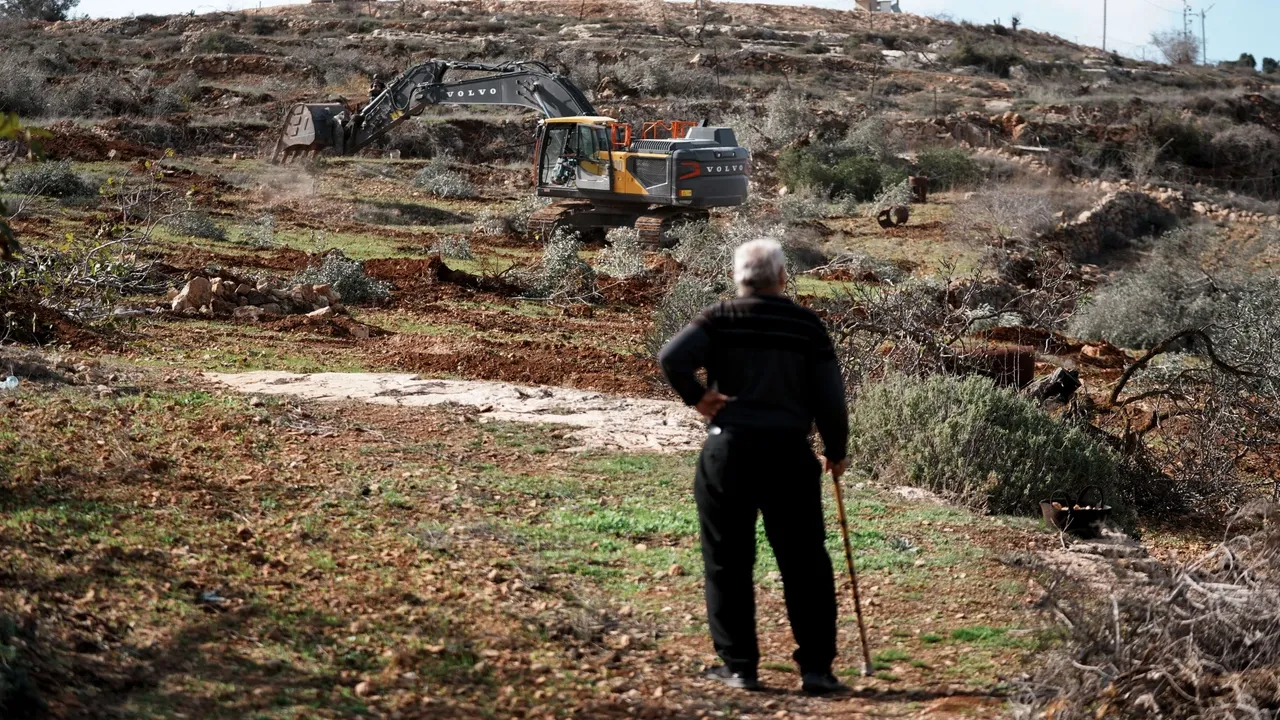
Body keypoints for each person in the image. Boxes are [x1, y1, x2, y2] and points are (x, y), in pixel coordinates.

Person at [658, 238, 850, 695]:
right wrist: (835, 450)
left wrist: (697, 397)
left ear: (739, 278)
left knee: (727, 561)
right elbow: (829, 396)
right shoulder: (806, 326)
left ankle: (740, 667)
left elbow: (671, 357)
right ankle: (816, 671)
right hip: (788, 454)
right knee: (805, 563)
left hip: (730, 452)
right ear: (782, 277)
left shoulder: (720, 317)